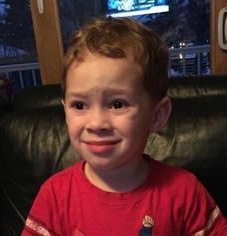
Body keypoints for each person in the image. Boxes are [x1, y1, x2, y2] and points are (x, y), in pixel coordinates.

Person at [22, 17, 227, 235]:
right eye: (79, 105)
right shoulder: (54, 195)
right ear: (65, 111)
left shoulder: (185, 192)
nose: (96, 123)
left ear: (157, 115)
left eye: (117, 104)